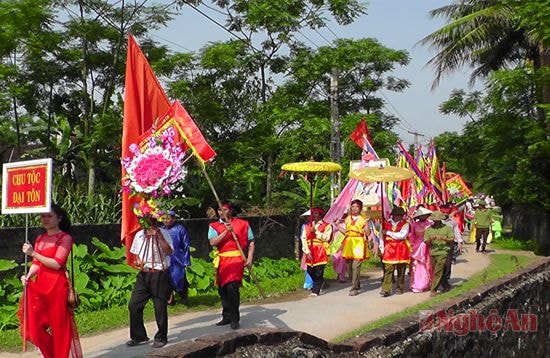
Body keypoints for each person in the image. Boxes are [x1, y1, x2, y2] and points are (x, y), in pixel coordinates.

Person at [18, 204, 83, 358]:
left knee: (59, 327)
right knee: (34, 326)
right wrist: (27, 277)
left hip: (57, 286)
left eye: (49, 216)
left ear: (59, 218)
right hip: (41, 285)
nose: (45, 219)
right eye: (43, 216)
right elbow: (36, 264)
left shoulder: (65, 238)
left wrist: (34, 253)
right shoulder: (40, 238)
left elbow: (57, 263)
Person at [127, 218, 174, 349]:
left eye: (149, 220)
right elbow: (136, 255)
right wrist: (137, 262)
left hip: (159, 272)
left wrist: (158, 236)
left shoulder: (164, 233)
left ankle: (161, 337)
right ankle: (139, 335)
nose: (146, 223)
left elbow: (169, 252)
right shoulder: (139, 234)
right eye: (143, 220)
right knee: (134, 304)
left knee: (159, 307)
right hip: (144, 274)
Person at [208, 202, 255, 330]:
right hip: (222, 260)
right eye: (219, 209)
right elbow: (213, 242)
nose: (221, 212)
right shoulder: (214, 226)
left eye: (224, 209)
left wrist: (250, 257)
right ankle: (226, 315)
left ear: (230, 211)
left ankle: (235, 318)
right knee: (222, 289)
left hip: (236, 259)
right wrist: (226, 232)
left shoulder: (243, 224)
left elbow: (251, 242)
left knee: (232, 288)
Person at [338, 199, 371, 296]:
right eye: (352, 206)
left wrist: (368, 224)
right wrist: (337, 225)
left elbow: (367, 233)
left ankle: (354, 288)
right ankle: (356, 283)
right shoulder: (347, 219)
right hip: (349, 242)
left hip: (358, 243)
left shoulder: (363, 220)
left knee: (356, 266)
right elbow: (345, 232)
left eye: (356, 206)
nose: (354, 208)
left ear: (360, 208)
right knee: (349, 266)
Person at [300, 207, 333, 296]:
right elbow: (303, 238)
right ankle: (319, 283)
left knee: (319, 270)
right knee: (310, 270)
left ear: (320, 215)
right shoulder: (307, 226)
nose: (314, 215)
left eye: (316, 213)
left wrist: (316, 232)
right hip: (310, 249)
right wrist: (306, 251)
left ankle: (315, 290)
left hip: (320, 250)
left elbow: (327, 238)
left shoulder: (327, 225)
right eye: (313, 213)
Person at [162, 210, 191, 305]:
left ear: (174, 219)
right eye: (164, 219)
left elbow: (186, 244)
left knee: (178, 277)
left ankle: (183, 295)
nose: (166, 221)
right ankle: (170, 298)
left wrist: (186, 260)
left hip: (177, 258)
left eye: (168, 218)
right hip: (166, 258)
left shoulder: (180, 229)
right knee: (166, 278)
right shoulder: (161, 230)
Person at [380, 207, 411, 297]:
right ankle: (386, 289)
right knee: (388, 269)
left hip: (401, 248)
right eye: (398, 215)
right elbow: (381, 237)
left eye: (401, 215)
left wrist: (388, 233)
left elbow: (402, 235)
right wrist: (382, 247)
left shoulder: (405, 224)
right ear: (393, 215)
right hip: (389, 248)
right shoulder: (385, 223)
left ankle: (399, 287)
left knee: (401, 269)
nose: (400, 217)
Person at [424, 211, 455, 297]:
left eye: (438, 220)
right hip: (433, 252)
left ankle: (434, 289)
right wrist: (431, 239)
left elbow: (452, 240)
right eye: (435, 220)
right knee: (436, 271)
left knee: (438, 271)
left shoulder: (447, 228)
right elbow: (426, 242)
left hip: (443, 252)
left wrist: (444, 238)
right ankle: (446, 286)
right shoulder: (429, 230)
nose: (437, 222)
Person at [408, 206, 432, 293]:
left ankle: (427, 283)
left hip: (427, 245)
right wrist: (411, 246)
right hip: (417, 247)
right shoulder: (414, 225)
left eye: (424, 215)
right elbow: (411, 236)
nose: (423, 217)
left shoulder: (430, 224)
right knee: (416, 265)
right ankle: (416, 284)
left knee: (427, 264)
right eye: (421, 215)